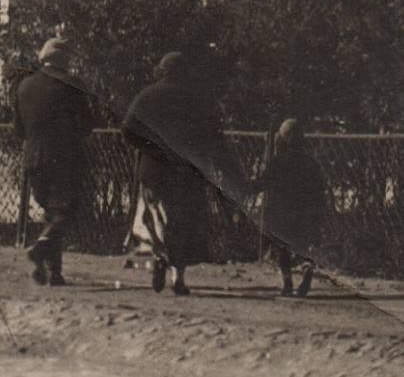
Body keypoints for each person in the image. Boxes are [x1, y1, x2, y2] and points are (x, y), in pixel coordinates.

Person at [122, 51, 243, 297]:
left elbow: (128, 130)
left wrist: (152, 149)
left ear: (162, 71)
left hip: (154, 168)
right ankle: (179, 277)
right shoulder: (200, 99)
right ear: (187, 71)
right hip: (188, 171)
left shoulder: (147, 96)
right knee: (184, 223)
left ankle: (159, 256)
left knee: (158, 220)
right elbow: (215, 139)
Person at [11, 39, 93, 287]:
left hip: (34, 159)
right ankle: (42, 246)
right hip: (65, 157)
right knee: (66, 211)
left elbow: (18, 129)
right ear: (64, 60)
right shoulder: (73, 86)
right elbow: (87, 124)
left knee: (51, 212)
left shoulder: (24, 86)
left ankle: (51, 272)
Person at [253, 119, 327, 297]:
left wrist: (248, 185)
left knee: (282, 247)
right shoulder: (311, 163)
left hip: (282, 211)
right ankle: (306, 267)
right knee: (302, 244)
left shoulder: (278, 161)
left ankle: (287, 282)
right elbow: (320, 189)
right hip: (304, 211)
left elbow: (264, 182)